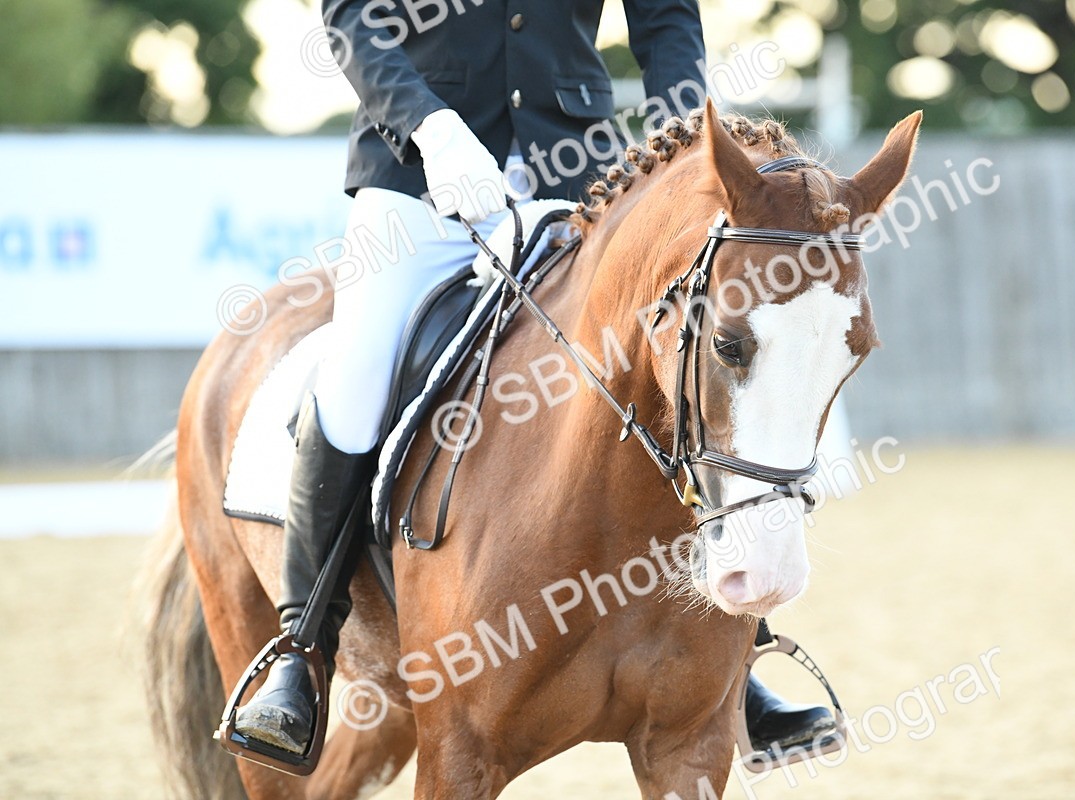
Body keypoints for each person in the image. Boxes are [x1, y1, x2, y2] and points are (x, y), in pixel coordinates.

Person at [233, 0, 834, 759]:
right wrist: (431, 125)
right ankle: (302, 650)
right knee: (354, 385)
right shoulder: (421, 145)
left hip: (586, 179)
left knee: (668, 370)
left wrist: (685, 141)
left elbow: (667, 19)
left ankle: (735, 660)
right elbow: (356, 19)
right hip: (418, 181)